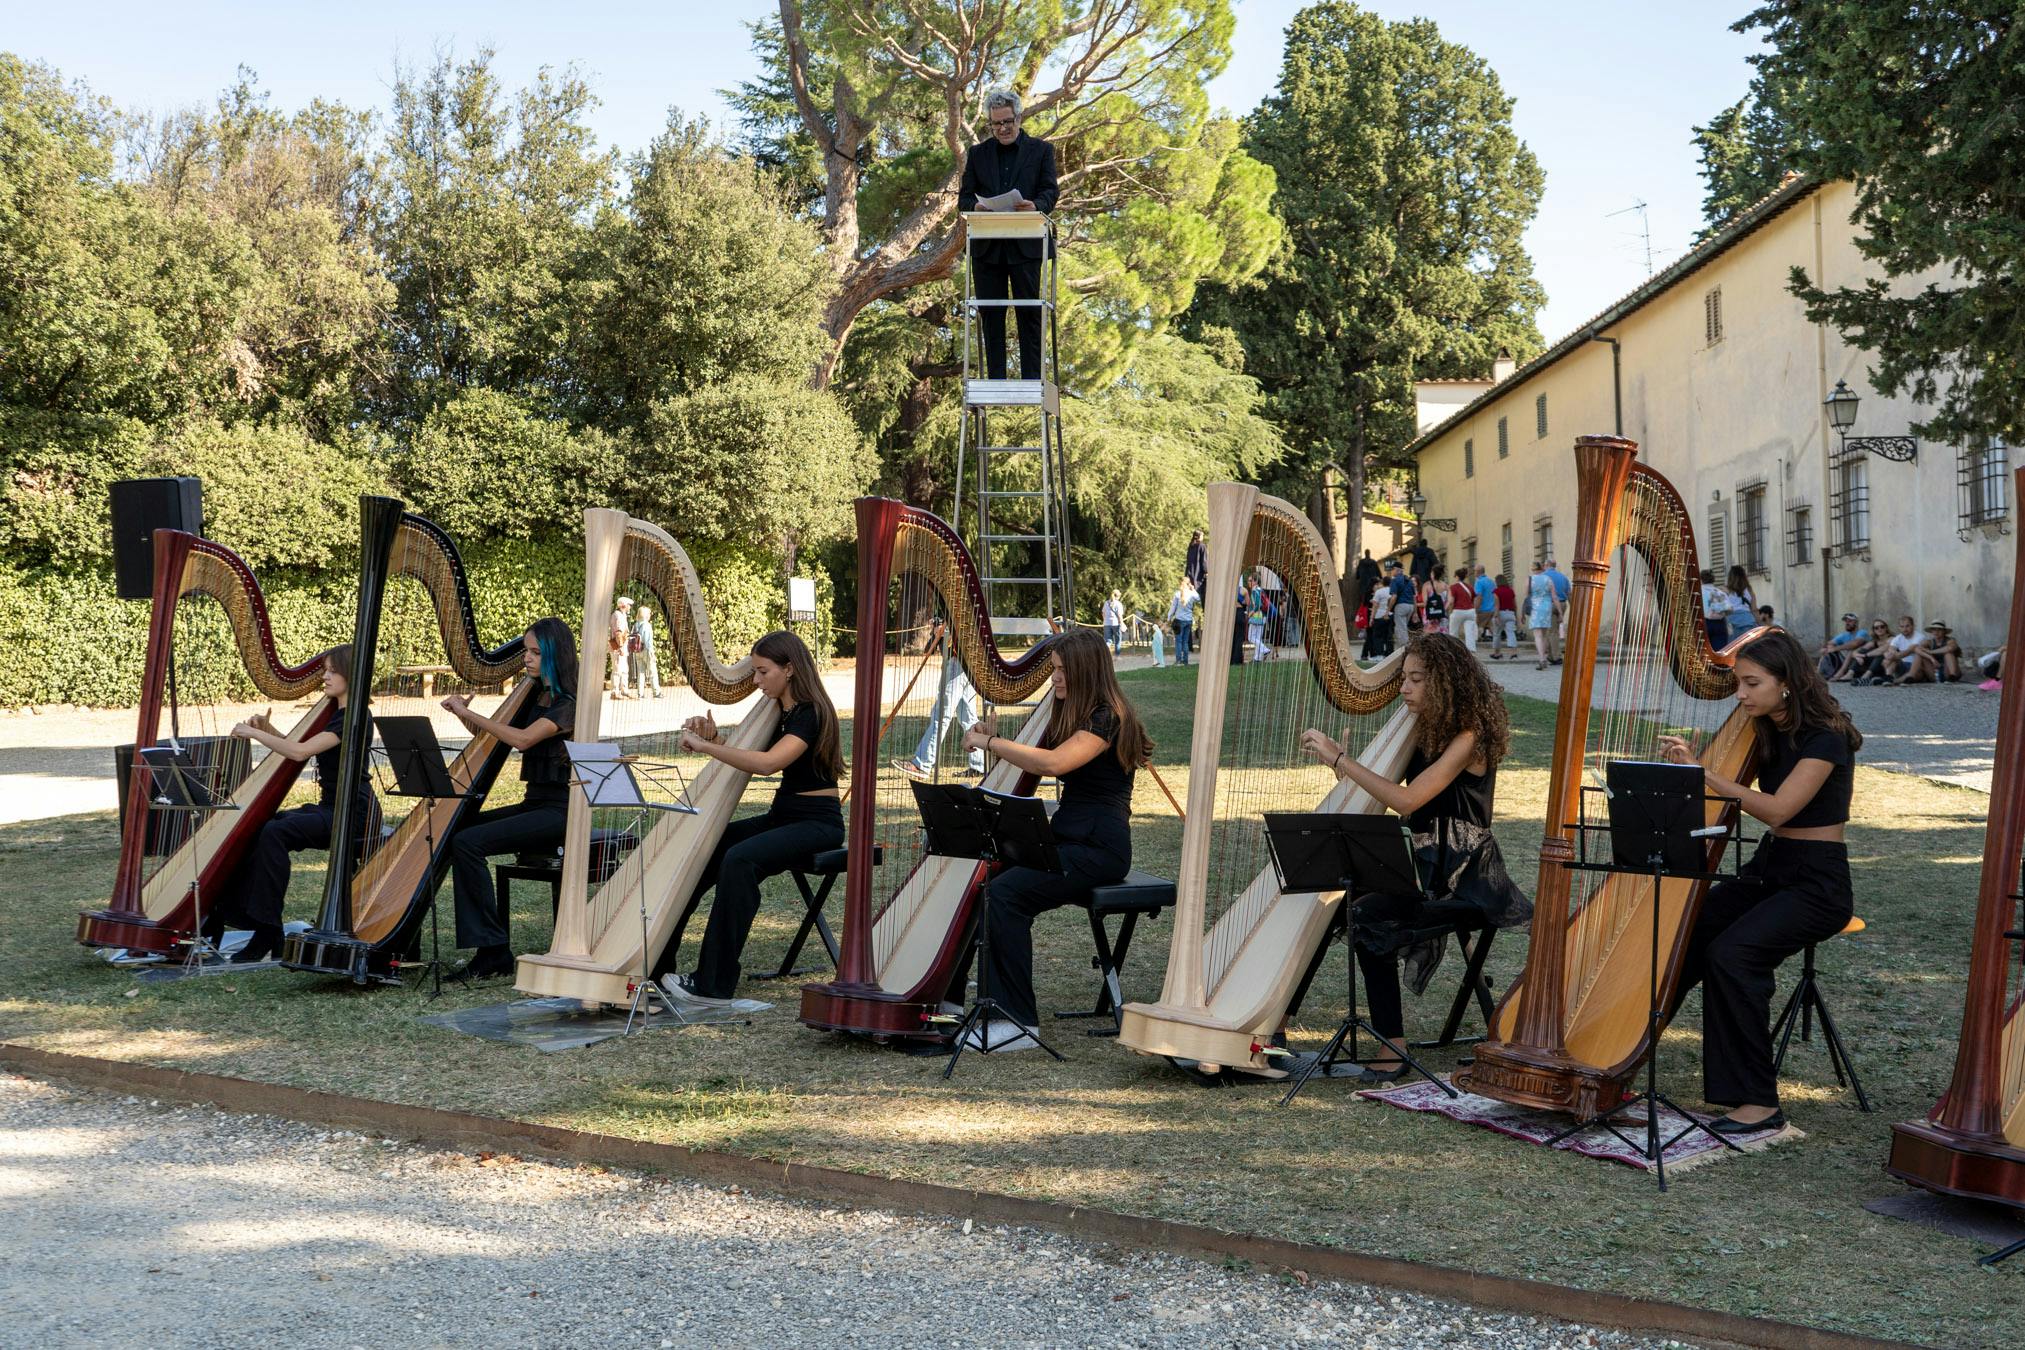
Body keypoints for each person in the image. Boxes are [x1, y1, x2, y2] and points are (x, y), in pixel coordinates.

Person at [1299, 633, 1529, 1079]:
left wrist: (1341, 759)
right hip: (1422, 866)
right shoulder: (1420, 730)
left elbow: (1408, 802)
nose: (1404, 688)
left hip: (1463, 875)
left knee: (1366, 916)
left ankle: (1392, 1051)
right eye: (1403, 678)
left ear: (1444, 683)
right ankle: (1276, 1029)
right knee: (1328, 902)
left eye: (1416, 680)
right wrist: (1349, 764)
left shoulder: (1468, 737)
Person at [1662, 629, 1862, 1134]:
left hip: (1816, 883)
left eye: (1752, 683)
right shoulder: (1764, 728)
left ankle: (1759, 1104)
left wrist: (1705, 774)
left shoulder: (1825, 736)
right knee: (1690, 932)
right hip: (1772, 869)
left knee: (1734, 954)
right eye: (1738, 684)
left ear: (1787, 683)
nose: (1741, 694)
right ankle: (1623, 1048)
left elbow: (1777, 810)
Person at [955, 628, 1151, 1048]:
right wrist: (1001, 735)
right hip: (1070, 837)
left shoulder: (1107, 716)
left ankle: (1017, 1022)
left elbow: (1056, 764)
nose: (1054, 679)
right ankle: (957, 999)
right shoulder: (1077, 711)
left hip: (1098, 848)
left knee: (1006, 895)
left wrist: (991, 742)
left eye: (1061, 671)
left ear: (1083, 671)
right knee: (985, 881)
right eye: (1053, 670)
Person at [655, 631, 845, 1008]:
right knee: (706, 847)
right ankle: (658, 962)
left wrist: (707, 747)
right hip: (783, 817)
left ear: (789, 669)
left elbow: (768, 763)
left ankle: (713, 983)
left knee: (739, 859)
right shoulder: (780, 710)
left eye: (762, 672)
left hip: (817, 825)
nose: (756, 681)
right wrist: (715, 738)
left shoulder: (810, 712)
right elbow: (753, 752)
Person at [200, 646, 370, 963]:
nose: (325, 676)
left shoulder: (354, 718)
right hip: (331, 808)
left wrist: (254, 733)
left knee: (275, 833)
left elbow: (299, 753)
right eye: (325, 670)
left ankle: (267, 931)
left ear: (350, 673)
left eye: (332, 670)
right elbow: (301, 747)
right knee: (258, 826)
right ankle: (225, 916)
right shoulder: (337, 714)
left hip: (352, 814)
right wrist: (269, 731)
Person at [441, 618, 579, 980]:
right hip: (535, 804)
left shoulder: (568, 705)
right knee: (460, 829)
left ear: (555, 655)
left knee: (468, 842)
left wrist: (471, 713)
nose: (527, 660)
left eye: (536, 652)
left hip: (561, 812)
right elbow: (501, 735)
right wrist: (463, 715)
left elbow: (521, 740)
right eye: (526, 651)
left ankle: (493, 951)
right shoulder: (536, 695)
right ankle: (489, 947)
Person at [956, 89, 1059, 381]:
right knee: (990, 313)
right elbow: (963, 200)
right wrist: (975, 206)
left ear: (1019, 117)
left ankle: (1032, 379)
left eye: (1007, 122)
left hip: (1027, 245)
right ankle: (996, 379)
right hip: (987, 248)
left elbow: (1050, 191)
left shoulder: (1041, 151)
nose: (1002, 129)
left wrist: (1035, 206)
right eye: (996, 124)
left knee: (1030, 313)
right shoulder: (977, 154)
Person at [896, 621, 982, 780]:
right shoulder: (956, 612)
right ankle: (979, 765)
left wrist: (945, 630)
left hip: (959, 663)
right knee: (968, 718)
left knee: (941, 716)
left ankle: (922, 764)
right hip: (965, 665)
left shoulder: (960, 613)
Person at [1899, 620, 1963, 685]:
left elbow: (1950, 648)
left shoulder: (1950, 641)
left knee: (1948, 654)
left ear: (1944, 631)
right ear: (1931, 631)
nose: (1936, 632)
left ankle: (1952, 677)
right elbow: (1917, 649)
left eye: (1939, 630)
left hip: (1949, 671)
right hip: (1935, 673)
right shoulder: (1929, 642)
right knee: (1919, 654)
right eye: (1934, 630)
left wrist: (1931, 651)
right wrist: (1932, 659)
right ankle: (1911, 676)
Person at [1524, 561, 1559, 671]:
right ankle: (1544, 656)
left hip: (1535, 607)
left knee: (1537, 635)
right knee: (1544, 635)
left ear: (1533, 569)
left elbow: (1526, 596)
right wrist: (1560, 612)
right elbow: (1554, 597)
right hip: (1547, 607)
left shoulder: (1529, 579)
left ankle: (1542, 659)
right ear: (1542, 568)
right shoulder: (1548, 579)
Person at [630, 602, 662, 699]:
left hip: (637, 651)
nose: (650, 615)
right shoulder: (647, 625)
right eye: (649, 614)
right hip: (646, 650)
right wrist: (652, 653)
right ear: (646, 615)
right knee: (652, 671)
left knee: (640, 672)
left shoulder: (635, 625)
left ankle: (640, 694)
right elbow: (648, 641)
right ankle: (656, 692)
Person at [1542, 557, 1571, 662]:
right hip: (1562, 604)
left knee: (1552, 632)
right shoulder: (1563, 577)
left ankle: (1556, 656)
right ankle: (1551, 655)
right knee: (1554, 630)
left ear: (1547, 565)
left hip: (1549, 604)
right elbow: (1569, 593)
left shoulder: (1543, 577)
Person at [1815, 613, 1862, 677]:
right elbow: (1828, 644)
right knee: (1827, 649)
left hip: (1858, 661)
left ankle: (1837, 673)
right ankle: (1819, 673)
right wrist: (1826, 648)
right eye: (1846, 621)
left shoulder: (1862, 633)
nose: (1847, 623)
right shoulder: (1844, 635)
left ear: (1856, 623)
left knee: (1851, 650)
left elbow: (1854, 645)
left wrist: (1836, 648)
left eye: (1850, 621)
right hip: (1844, 661)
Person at [1880, 614, 1922, 683]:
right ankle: (1888, 677)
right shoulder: (1898, 638)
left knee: (1890, 658)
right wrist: (1889, 655)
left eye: (1907, 626)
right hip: (1903, 665)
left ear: (1913, 626)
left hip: (1915, 666)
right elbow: (1891, 649)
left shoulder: (1919, 637)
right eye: (1902, 627)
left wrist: (1891, 656)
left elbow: (1907, 652)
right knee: (1889, 658)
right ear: (1899, 628)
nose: (1905, 629)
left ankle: (1893, 681)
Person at [1387, 560, 1416, 654]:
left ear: (1396, 569)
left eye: (1392, 570)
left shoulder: (1395, 580)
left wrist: (1388, 610)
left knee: (1401, 629)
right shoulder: (1410, 581)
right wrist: (1415, 612)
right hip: (1410, 607)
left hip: (1401, 606)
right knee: (1403, 628)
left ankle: (1406, 651)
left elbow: (1394, 597)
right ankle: (1403, 650)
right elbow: (1414, 597)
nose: (1392, 572)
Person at [1167, 576, 1197, 667]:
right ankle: (1186, 661)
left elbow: (1173, 607)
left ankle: (1178, 660)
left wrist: (1169, 617)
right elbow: (1198, 598)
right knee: (1185, 642)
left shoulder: (1177, 594)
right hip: (1188, 620)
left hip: (1179, 620)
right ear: (1189, 584)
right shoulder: (1192, 594)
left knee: (1179, 641)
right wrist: (1193, 589)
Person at [1725, 566, 1759, 642]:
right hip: (1748, 621)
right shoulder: (1749, 589)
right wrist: (1761, 624)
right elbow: (1754, 610)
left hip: (1732, 622)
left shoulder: (1726, 590)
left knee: (1733, 649)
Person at [608, 595, 633, 699]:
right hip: (617, 646)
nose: (630, 607)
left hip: (621, 645)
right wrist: (621, 647)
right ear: (623, 605)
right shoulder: (617, 615)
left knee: (624, 669)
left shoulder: (622, 615)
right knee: (617, 669)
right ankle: (615, 692)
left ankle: (624, 690)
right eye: (628, 605)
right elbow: (618, 633)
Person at [1449, 568, 1479, 653]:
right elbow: (1473, 599)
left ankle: (1453, 650)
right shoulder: (1470, 587)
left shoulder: (1453, 587)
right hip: (1470, 611)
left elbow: (1452, 601)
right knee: (1469, 632)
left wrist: (1451, 611)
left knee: (1453, 631)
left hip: (1458, 610)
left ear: (1457, 577)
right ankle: (1471, 650)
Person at [1699, 569, 1731, 650]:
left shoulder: (1699, 592)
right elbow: (1730, 609)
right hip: (1720, 624)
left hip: (1704, 623)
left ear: (1701, 579)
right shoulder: (1719, 592)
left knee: (1704, 651)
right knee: (1720, 651)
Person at [1364, 576, 1395, 659]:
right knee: (1389, 635)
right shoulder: (1393, 591)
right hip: (1390, 615)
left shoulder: (1379, 592)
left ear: (1382, 583)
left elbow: (1375, 606)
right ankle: (1390, 653)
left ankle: (1379, 654)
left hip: (1379, 616)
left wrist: (1371, 618)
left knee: (1377, 636)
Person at [1246, 571, 1273, 661]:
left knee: (1251, 637)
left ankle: (1265, 650)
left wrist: (1251, 613)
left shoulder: (1254, 590)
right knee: (1257, 638)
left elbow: (1258, 604)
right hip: (1262, 616)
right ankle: (1257, 658)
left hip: (1256, 616)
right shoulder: (1260, 590)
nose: (1248, 582)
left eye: (1250, 580)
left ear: (1255, 581)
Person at [1474, 565, 1498, 659]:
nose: (1474, 572)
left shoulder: (1479, 582)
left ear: (1478, 572)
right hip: (1492, 608)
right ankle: (1497, 648)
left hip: (1483, 609)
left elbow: (1478, 596)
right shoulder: (1491, 581)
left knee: (1475, 627)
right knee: (1493, 630)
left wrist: (1476, 608)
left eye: (1475, 571)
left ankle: (1474, 650)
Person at [1493, 574, 1519, 658]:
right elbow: (1515, 605)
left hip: (1501, 613)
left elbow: (1497, 605)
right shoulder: (1511, 591)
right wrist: (1515, 615)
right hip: (1510, 613)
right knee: (1511, 633)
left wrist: (1496, 616)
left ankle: (1497, 653)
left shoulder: (1496, 591)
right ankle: (1513, 652)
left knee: (1497, 633)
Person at [1422, 565, 1448, 636]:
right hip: (1442, 613)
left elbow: (1425, 602)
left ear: (1433, 573)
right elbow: (1449, 601)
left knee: (1429, 636)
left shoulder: (1426, 585)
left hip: (1430, 613)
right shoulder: (1445, 586)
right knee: (1442, 635)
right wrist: (1443, 609)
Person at [1185, 530, 1208, 595]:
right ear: (1199, 536)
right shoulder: (1202, 546)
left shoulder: (1191, 546)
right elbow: (1204, 561)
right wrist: (1206, 571)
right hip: (1198, 576)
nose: (1203, 537)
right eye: (1202, 535)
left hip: (1189, 574)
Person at [1102, 590, 1125, 654]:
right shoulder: (1118, 604)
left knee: (1108, 641)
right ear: (1118, 596)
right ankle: (1117, 656)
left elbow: (1103, 613)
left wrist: (1105, 621)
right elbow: (1120, 615)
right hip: (1116, 624)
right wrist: (1122, 623)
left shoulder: (1106, 603)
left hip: (1106, 624)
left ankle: (1104, 653)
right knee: (1117, 641)